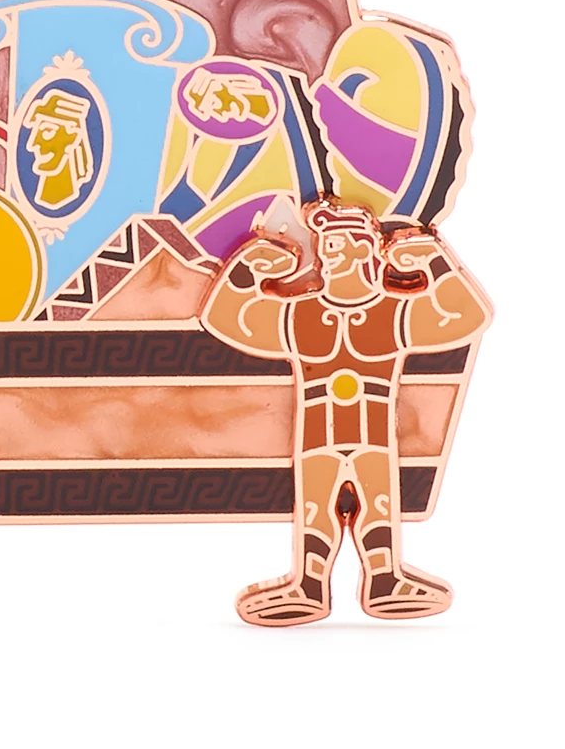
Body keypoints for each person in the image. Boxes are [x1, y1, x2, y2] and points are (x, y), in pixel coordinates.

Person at [201, 199, 491, 625]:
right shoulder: (302, 313)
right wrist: (247, 266)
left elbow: (466, 315)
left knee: (379, 503)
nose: (327, 253)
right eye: (324, 244)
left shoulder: (391, 312)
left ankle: (384, 578)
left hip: (374, 435)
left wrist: (434, 258)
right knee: (315, 508)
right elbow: (230, 320)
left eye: (336, 243)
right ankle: (309, 584)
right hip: (317, 437)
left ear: (363, 248)